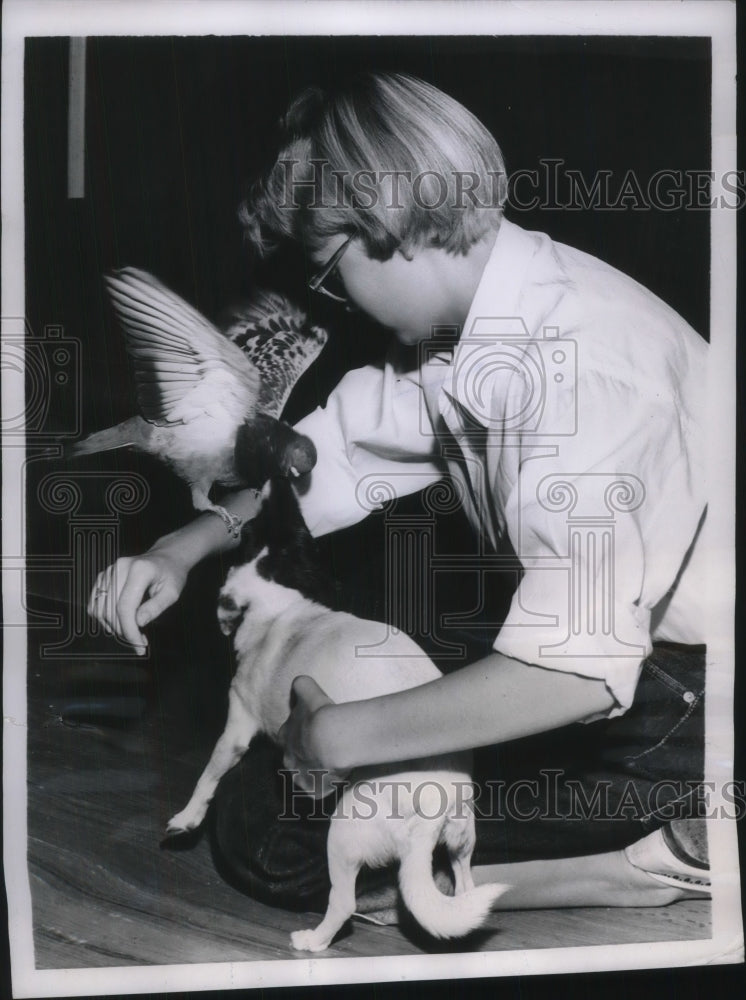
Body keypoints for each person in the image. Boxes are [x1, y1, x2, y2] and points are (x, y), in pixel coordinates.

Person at [89, 73, 709, 914]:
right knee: (288, 804)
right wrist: (184, 546)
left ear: (381, 226)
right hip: (637, 672)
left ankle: (665, 850)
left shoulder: (585, 371)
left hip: (686, 704)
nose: (336, 302)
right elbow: (323, 460)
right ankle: (642, 837)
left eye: (329, 275)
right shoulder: (480, 324)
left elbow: (575, 674)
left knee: (277, 841)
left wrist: (337, 735)